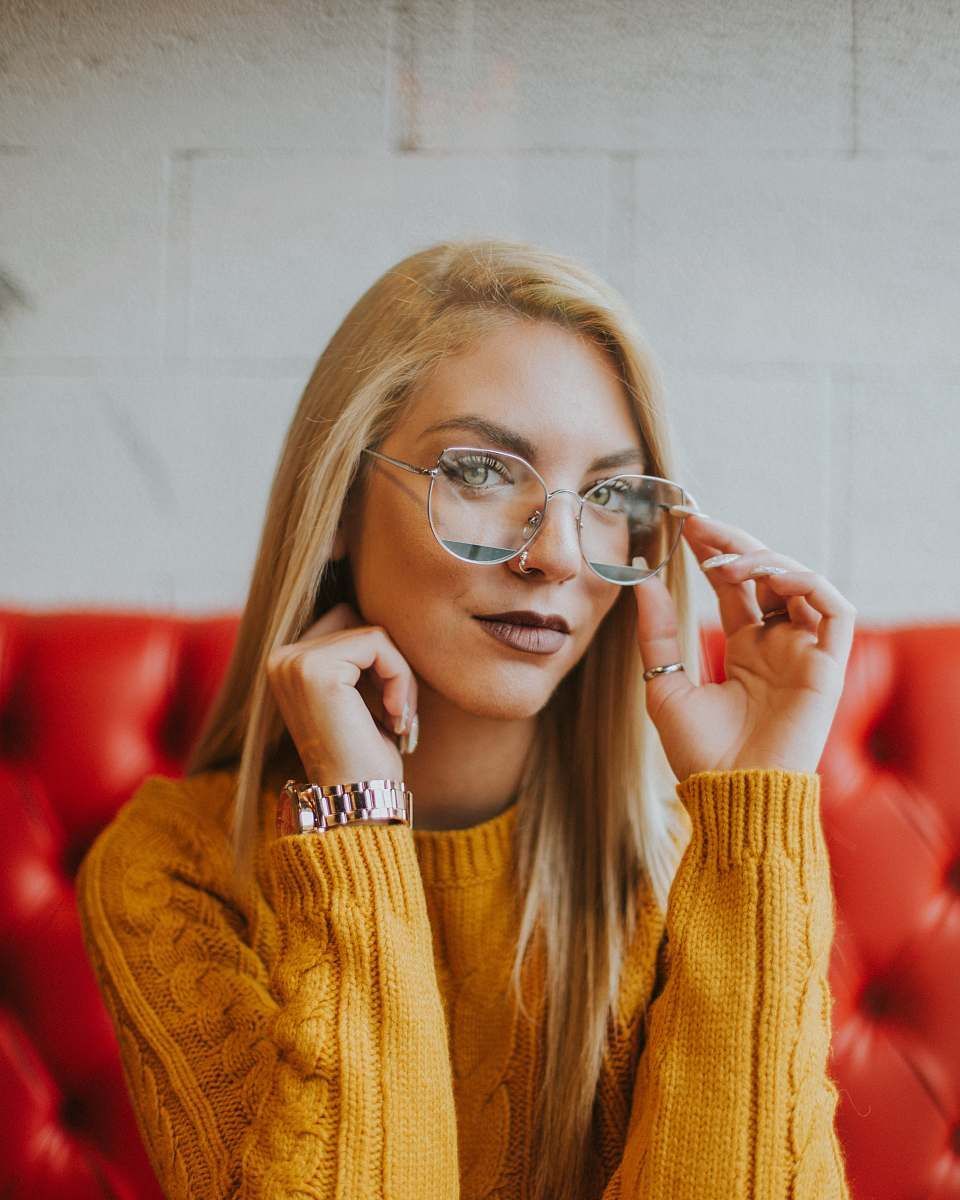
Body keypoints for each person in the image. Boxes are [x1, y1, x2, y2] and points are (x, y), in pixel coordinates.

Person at [76, 238, 855, 1200]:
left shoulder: (701, 860)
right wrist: (357, 822)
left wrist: (751, 824)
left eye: (608, 495)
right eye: (483, 472)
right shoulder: (175, 869)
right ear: (337, 504)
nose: (560, 556)